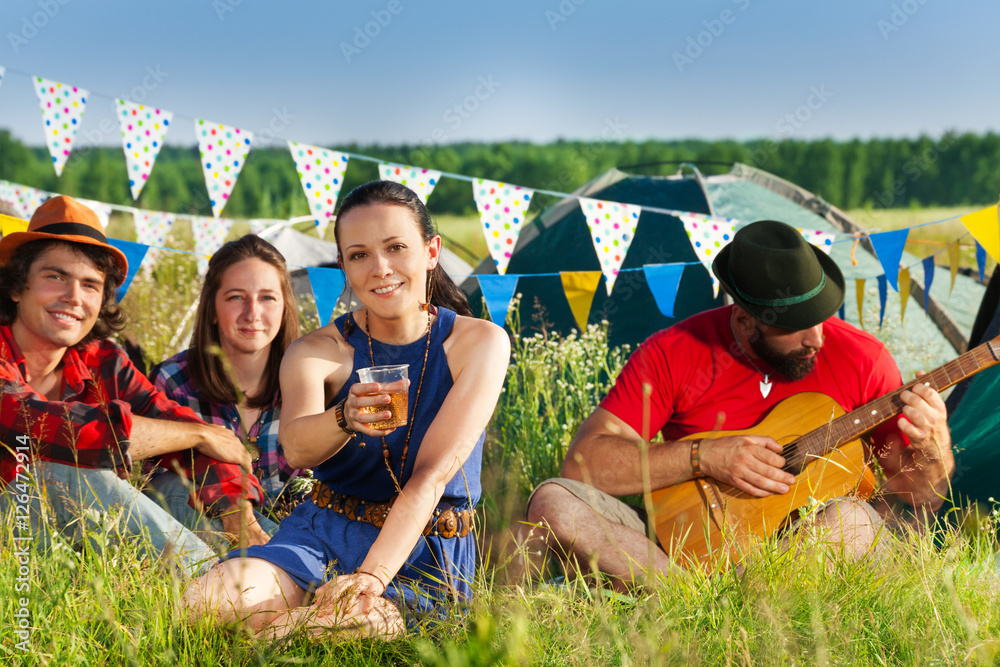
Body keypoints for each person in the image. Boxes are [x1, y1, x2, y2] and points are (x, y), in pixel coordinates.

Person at [526, 219, 954, 590]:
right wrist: (703, 456)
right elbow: (583, 465)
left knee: (855, 525)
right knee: (553, 502)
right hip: (680, 547)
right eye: (794, 327)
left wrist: (934, 450)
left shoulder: (862, 357)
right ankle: (690, 601)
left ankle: (721, 608)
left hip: (808, 547)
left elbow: (916, 503)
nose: (816, 339)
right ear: (746, 319)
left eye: (821, 316)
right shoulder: (674, 350)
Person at [183, 181, 510, 638]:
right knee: (202, 605)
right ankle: (276, 624)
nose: (380, 268)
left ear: (431, 251)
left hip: (420, 550)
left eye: (396, 247)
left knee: (317, 630)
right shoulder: (317, 350)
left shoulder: (478, 343)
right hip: (323, 530)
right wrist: (344, 418)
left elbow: (431, 477)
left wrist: (372, 578)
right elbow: (296, 450)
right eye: (359, 255)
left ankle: (277, 633)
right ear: (343, 266)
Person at [0, 196, 265, 577]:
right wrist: (197, 433)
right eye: (55, 277)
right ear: (16, 287)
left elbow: (181, 426)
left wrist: (237, 513)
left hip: (69, 543)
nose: (74, 297)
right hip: (14, 538)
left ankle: (291, 576)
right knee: (61, 469)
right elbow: (49, 429)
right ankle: (221, 589)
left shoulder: (102, 359)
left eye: (90, 285)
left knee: (179, 485)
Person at [147, 235, 302, 544]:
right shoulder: (173, 381)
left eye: (267, 298)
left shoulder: (311, 379)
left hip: (296, 537)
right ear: (212, 309)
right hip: (203, 541)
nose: (252, 313)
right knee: (171, 487)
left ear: (285, 306)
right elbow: (158, 492)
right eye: (235, 297)